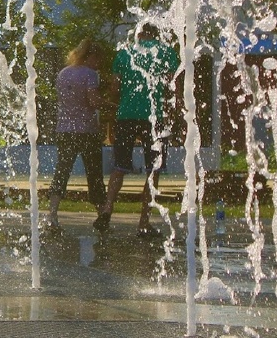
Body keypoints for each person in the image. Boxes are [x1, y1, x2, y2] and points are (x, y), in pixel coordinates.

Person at [94, 23, 179, 237]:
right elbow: (172, 83)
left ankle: (107, 209)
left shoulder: (124, 53)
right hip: (153, 116)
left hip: (126, 115)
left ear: (139, 34)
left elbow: (115, 87)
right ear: (156, 34)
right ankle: (143, 222)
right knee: (153, 169)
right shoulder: (166, 52)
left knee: (119, 166)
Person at [47, 39, 108, 232]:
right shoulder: (90, 74)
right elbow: (93, 101)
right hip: (87, 131)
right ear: (91, 57)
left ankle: (52, 214)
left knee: (62, 171)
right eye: (98, 60)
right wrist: (111, 105)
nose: (99, 64)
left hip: (64, 130)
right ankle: (101, 215)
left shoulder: (63, 73)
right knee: (94, 174)